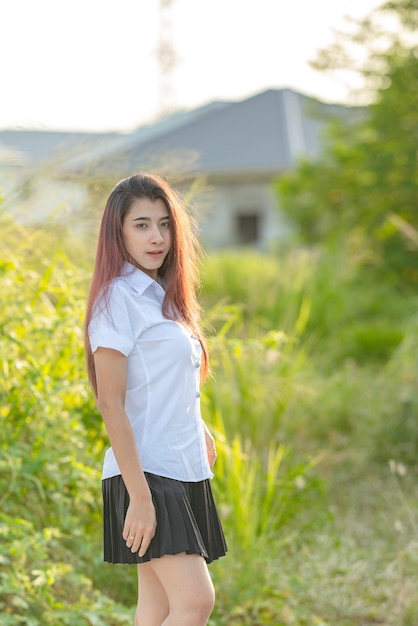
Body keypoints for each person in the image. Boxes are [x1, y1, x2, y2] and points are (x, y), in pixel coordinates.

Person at [84, 173, 227, 626]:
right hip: (146, 473)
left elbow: (167, 377)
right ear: (119, 232)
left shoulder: (164, 299)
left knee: (159, 607)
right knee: (195, 602)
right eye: (141, 225)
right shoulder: (117, 300)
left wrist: (198, 425)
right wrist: (140, 497)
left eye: (164, 224)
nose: (157, 237)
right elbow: (111, 401)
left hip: (180, 465)